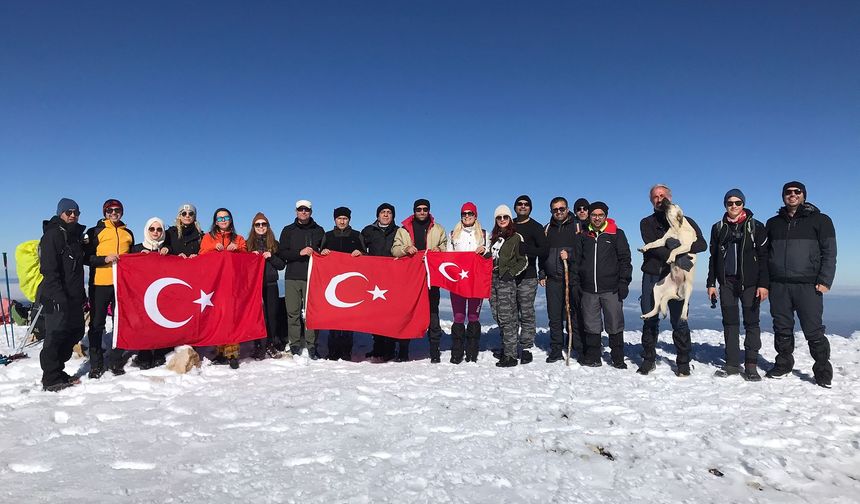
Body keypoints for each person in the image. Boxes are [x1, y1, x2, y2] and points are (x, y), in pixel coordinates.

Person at [764, 181, 836, 388]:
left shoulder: (821, 220)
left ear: (804, 195)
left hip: (808, 285)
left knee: (813, 330)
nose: (792, 195)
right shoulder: (774, 223)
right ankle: (784, 364)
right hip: (779, 285)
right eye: (788, 192)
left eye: (797, 192)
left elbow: (830, 252)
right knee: (782, 328)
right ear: (783, 196)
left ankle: (822, 370)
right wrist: (766, 283)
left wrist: (825, 280)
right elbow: (765, 255)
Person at [638, 184, 706, 376]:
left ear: (669, 197)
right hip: (654, 274)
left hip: (678, 276)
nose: (659, 199)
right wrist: (680, 253)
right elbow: (655, 249)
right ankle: (648, 360)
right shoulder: (647, 222)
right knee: (650, 317)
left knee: (679, 320)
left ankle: (683, 363)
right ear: (652, 201)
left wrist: (681, 251)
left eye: (662, 195)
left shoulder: (686, 220)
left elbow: (702, 244)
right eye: (655, 197)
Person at [706, 189, 769, 381]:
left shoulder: (756, 227)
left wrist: (764, 284)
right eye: (730, 203)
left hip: (751, 284)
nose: (734, 206)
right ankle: (732, 364)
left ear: (744, 204)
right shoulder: (718, 228)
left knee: (752, 324)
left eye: (738, 202)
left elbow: (765, 258)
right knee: (730, 324)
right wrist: (711, 283)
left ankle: (751, 365)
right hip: (727, 284)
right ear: (725, 205)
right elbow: (713, 257)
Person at [572, 201, 632, 368]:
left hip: (611, 288)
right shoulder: (583, 236)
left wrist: (623, 282)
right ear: (589, 216)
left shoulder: (616, 234)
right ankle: (593, 356)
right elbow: (576, 262)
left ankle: (618, 357)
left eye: (600, 215)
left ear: (605, 216)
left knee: (614, 323)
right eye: (594, 215)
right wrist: (575, 284)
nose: (597, 218)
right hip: (588, 288)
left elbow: (625, 260)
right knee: (591, 324)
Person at [39, 198, 87, 391]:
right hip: (56, 296)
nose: (73, 215)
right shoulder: (52, 236)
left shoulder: (74, 236)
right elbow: (49, 270)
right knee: (55, 335)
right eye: (69, 212)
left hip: (74, 297)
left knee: (76, 331)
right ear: (61, 213)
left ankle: (58, 370)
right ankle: (50, 377)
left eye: (76, 212)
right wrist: (58, 297)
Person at [392, 198, 448, 363]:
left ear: (429, 210)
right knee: (407, 312)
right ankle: (403, 350)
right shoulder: (403, 230)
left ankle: (434, 349)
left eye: (425, 209)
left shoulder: (438, 229)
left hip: (431, 277)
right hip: (409, 279)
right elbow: (394, 250)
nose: (422, 212)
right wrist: (405, 249)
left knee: (433, 313)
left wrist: (440, 250)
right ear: (414, 211)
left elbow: (446, 247)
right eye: (419, 209)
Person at [84, 198, 134, 378]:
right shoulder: (96, 231)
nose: (113, 213)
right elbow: (86, 258)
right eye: (109, 210)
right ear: (104, 213)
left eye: (117, 210)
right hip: (100, 284)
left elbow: (133, 257)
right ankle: (96, 364)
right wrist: (104, 259)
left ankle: (115, 360)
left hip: (121, 285)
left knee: (120, 323)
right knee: (97, 324)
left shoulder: (128, 232)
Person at [199, 207, 247, 369]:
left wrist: (238, 249)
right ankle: (219, 349)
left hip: (233, 284)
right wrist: (214, 248)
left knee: (231, 317)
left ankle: (232, 352)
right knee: (217, 316)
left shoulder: (239, 239)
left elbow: (246, 261)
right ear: (215, 221)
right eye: (219, 219)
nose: (223, 221)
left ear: (231, 219)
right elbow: (202, 255)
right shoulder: (208, 238)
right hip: (215, 284)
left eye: (225, 217)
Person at [278, 199, 325, 359]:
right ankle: (295, 344)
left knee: (312, 313)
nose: (303, 212)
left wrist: (320, 252)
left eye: (306, 210)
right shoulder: (288, 230)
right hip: (292, 276)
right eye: (301, 209)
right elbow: (283, 253)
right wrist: (300, 252)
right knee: (293, 312)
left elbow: (324, 251)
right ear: (296, 211)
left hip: (312, 277)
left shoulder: (319, 230)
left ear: (311, 212)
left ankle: (312, 345)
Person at [320, 207, 366, 361]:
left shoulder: (356, 235)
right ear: (334, 220)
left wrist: (361, 253)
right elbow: (319, 255)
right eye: (339, 218)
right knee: (333, 317)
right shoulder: (327, 236)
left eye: (345, 218)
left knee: (348, 318)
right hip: (332, 283)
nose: (342, 221)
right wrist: (323, 252)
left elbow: (366, 256)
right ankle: (332, 350)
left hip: (351, 283)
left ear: (349, 220)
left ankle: (346, 351)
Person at [447, 202, 488, 364]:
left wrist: (484, 250)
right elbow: (448, 257)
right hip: (458, 281)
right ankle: (457, 352)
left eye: (470, 213)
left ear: (475, 216)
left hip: (476, 280)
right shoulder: (453, 234)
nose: (467, 216)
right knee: (458, 316)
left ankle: (472, 350)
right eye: (464, 214)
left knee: (473, 315)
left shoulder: (485, 234)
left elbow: (490, 256)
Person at [539, 197, 579, 363]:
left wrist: (570, 256)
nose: (559, 212)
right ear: (551, 211)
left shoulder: (577, 227)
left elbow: (585, 252)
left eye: (562, 209)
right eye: (555, 210)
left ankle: (575, 345)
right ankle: (556, 348)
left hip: (572, 278)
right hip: (553, 279)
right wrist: (541, 273)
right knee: (554, 316)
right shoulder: (547, 229)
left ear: (567, 209)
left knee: (573, 314)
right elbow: (542, 254)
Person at [488, 205, 527, 367]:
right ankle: (506, 348)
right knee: (497, 314)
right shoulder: (494, 237)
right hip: (493, 279)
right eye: (499, 217)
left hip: (506, 280)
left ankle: (511, 355)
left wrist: (511, 273)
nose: (502, 220)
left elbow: (523, 260)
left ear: (510, 219)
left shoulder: (516, 237)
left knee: (507, 317)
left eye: (505, 217)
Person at [130, 217, 171, 370]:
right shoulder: (136, 248)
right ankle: (144, 353)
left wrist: (169, 253)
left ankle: (160, 351)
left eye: (159, 229)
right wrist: (138, 257)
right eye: (152, 229)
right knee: (144, 321)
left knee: (161, 322)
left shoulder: (168, 249)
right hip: (141, 293)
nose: (155, 232)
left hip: (162, 294)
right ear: (146, 230)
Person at [512, 195, 548, 365]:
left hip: (528, 276)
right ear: (515, 207)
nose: (523, 207)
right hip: (508, 277)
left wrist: (527, 250)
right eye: (520, 204)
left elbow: (544, 251)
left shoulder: (536, 227)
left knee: (526, 312)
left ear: (530, 208)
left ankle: (526, 347)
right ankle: (510, 345)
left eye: (526, 204)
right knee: (510, 313)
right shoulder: (508, 224)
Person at [361, 203, 399, 361]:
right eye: (383, 212)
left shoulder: (400, 231)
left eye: (389, 212)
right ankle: (377, 347)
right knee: (376, 314)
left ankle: (390, 348)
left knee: (390, 314)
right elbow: (362, 249)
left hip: (393, 277)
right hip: (374, 277)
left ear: (393, 215)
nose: (385, 215)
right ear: (377, 215)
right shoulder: (368, 231)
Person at [246, 212, 287, 361]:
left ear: (268, 226)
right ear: (253, 227)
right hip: (254, 285)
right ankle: (258, 344)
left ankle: (271, 343)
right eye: (258, 224)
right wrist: (251, 256)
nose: (261, 227)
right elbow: (242, 266)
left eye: (264, 224)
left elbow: (282, 265)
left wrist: (272, 256)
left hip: (270, 283)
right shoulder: (247, 244)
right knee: (257, 316)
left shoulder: (274, 244)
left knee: (272, 315)